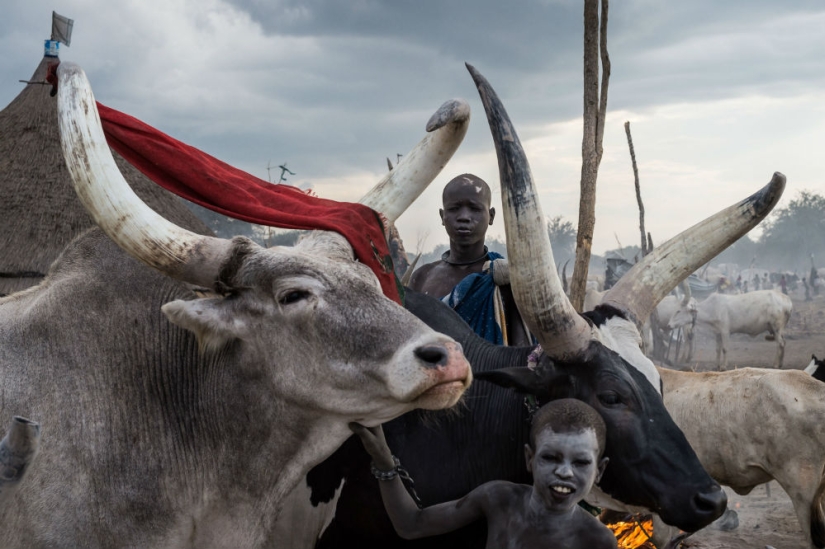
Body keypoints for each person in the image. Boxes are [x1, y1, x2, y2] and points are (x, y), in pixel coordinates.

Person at [350, 398, 616, 549]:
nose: (565, 472)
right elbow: (411, 525)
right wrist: (384, 463)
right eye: (550, 457)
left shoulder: (597, 540)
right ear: (530, 458)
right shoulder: (500, 499)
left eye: (581, 462)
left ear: (599, 470)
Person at [408, 174, 531, 346]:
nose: (464, 217)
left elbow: (522, 352)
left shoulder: (504, 279)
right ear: (442, 216)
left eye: (475, 208)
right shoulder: (422, 277)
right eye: (454, 208)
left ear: (491, 216)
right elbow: (408, 342)